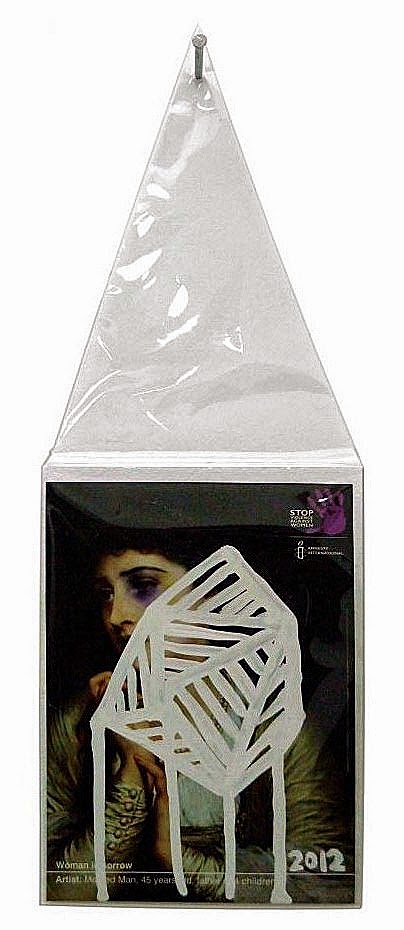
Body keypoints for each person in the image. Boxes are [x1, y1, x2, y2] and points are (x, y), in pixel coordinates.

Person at [47, 534, 353, 904]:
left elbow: (329, 883)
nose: (116, 616)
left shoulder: (276, 724)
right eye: (105, 594)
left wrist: (180, 859)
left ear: (213, 594)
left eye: (143, 586)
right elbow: (52, 891)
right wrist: (130, 776)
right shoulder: (82, 719)